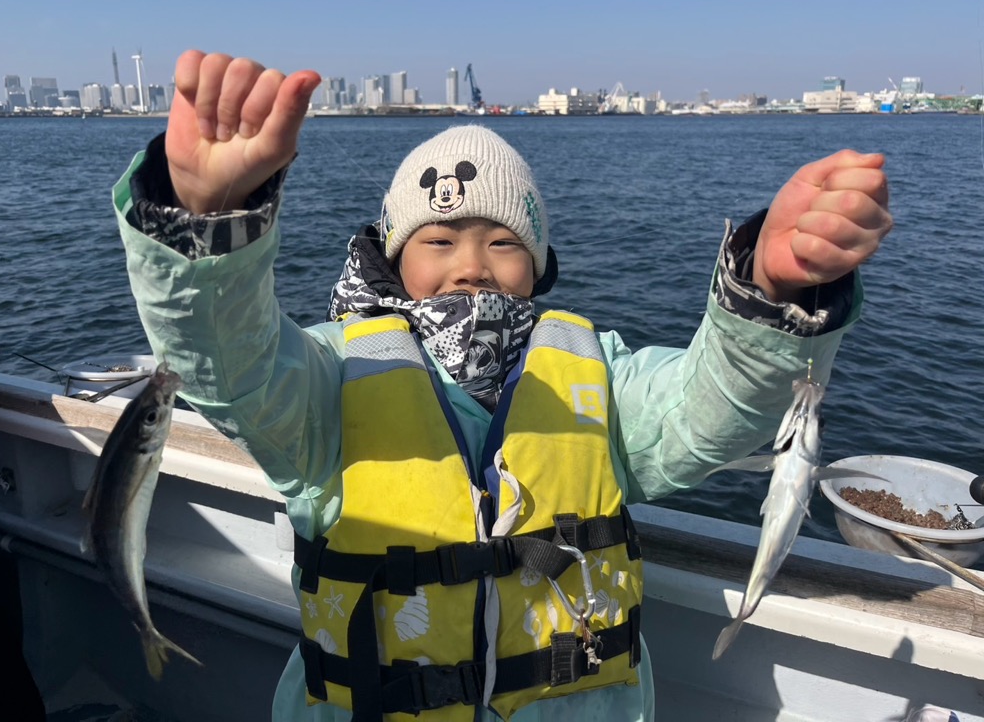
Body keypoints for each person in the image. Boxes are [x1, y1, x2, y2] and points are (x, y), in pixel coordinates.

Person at [112, 49, 891, 722]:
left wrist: (772, 296)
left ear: (538, 264)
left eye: (503, 242)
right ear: (393, 259)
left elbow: (710, 413)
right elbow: (228, 362)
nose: (472, 265)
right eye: (439, 239)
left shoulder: (599, 377)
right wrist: (205, 228)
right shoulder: (330, 382)